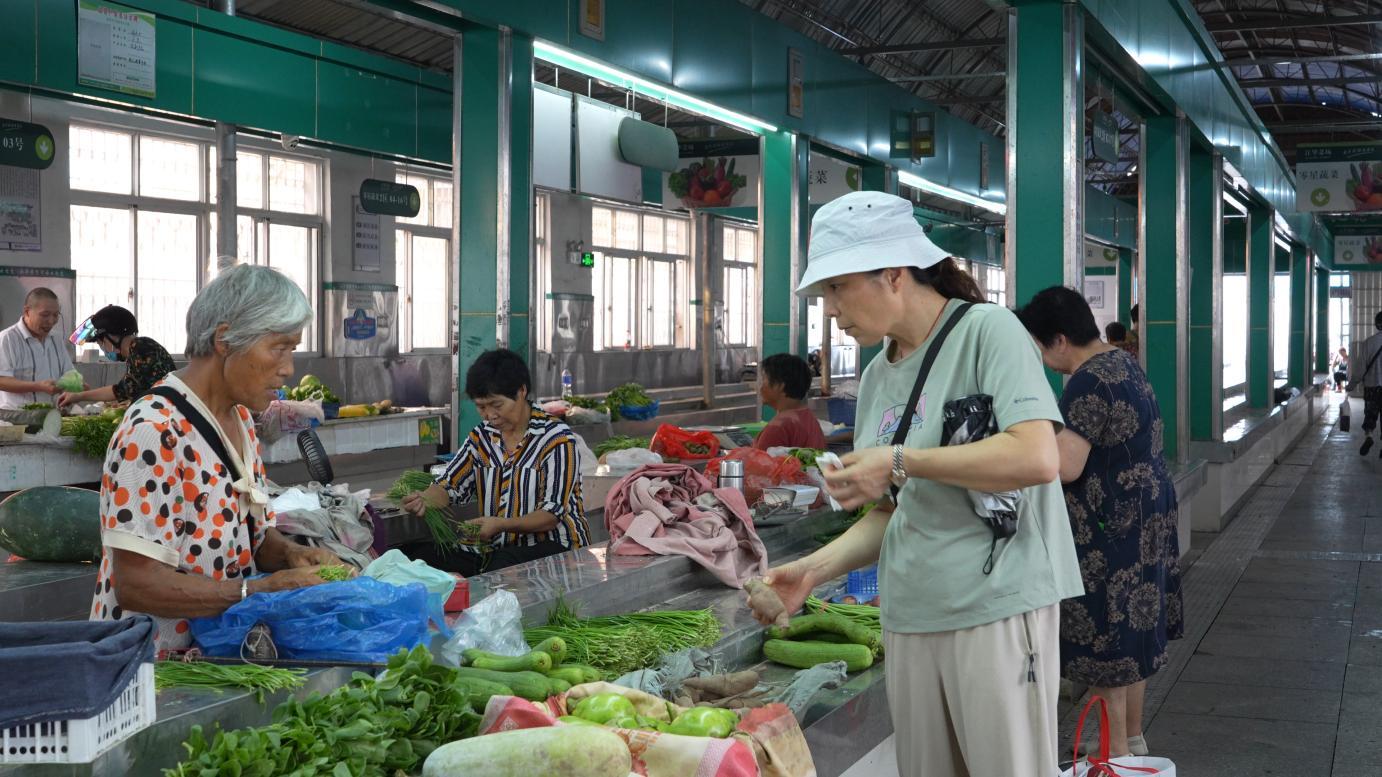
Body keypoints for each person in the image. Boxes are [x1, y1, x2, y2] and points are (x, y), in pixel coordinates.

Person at [745, 191, 1082, 777]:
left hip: (995, 608)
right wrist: (814, 571)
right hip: (912, 614)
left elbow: (1037, 456)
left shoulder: (987, 332)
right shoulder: (878, 375)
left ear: (893, 274)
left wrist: (899, 460)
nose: (830, 309)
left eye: (837, 288)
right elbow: (891, 511)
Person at [90, 265, 344, 650]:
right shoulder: (154, 430)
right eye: (279, 348)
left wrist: (293, 554)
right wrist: (256, 590)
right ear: (225, 339)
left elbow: (249, 535)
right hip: (150, 669)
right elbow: (137, 585)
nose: (288, 369)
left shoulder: (239, 418)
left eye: (291, 350)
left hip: (214, 654)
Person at [1016, 286, 1184, 760]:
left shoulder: (1088, 380)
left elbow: (1066, 466)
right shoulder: (1123, 361)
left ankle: (1108, 756)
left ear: (1060, 340)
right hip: (1145, 521)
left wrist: (1027, 435)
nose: (1046, 362)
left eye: (1043, 349)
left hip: (1112, 530)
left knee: (1109, 650)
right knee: (1133, 642)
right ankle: (1131, 741)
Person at [401, 348, 590, 576]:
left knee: (501, 568)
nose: (489, 415)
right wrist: (425, 499)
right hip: (495, 547)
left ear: (521, 391)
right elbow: (450, 486)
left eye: (496, 405)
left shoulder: (556, 438)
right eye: (481, 407)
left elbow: (551, 515)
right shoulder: (482, 437)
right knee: (414, 557)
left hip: (554, 547)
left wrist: (501, 524)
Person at [60, 305, 176, 409]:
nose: (102, 347)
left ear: (108, 339)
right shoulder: (137, 350)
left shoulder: (141, 348)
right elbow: (126, 389)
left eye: (100, 343)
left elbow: (120, 391)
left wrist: (79, 396)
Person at [0, 287, 76, 408]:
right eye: (45, 315)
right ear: (27, 312)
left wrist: (74, 385)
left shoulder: (56, 339)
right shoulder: (7, 339)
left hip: (52, 415)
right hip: (16, 418)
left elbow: (69, 373)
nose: (51, 321)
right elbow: (2, 380)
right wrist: (38, 386)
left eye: (56, 315)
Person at [753, 353, 828, 451]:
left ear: (780, 386)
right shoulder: (808, 416)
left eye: (764, 380)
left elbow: (760, 464)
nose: (760, 387)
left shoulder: (778, 428)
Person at [1352, 311, 1382, 457]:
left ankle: (1369, 436)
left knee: (1370, 415)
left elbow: (1360, 367)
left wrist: (1352, 384)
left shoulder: (1368, 343)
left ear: (1377, 325)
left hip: (1372, 387)